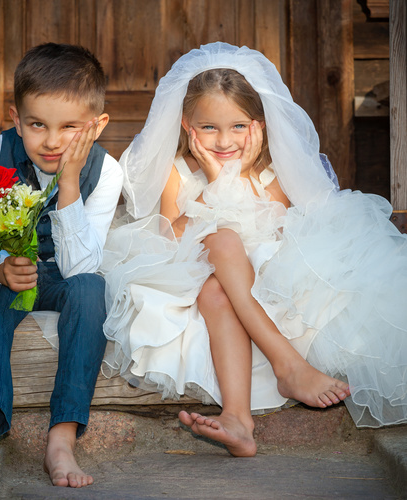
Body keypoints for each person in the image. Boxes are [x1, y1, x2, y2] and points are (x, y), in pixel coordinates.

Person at [100, 42, 407, 457]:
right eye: (208, 127)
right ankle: (275, 379)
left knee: (219, 281)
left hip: (264, 277)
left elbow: (279, 231)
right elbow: (168, 237)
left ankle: (242, 414)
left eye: (238, 127)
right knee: (219, 252)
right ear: (187, 126)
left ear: (259, 125)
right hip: (188, 273)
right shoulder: (178, 172)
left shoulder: (271, 172)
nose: (224, 140)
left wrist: (231, 184)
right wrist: (212, 185)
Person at [0, 43, 123, 488]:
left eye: (69, 127)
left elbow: (82, 264)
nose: (51, 140)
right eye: (37, 124)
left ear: (97, 125)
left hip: (66, 278)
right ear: (15, 118)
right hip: (11, 275)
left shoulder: (106, 172)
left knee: (91, 289)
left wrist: (68, 182)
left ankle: (61, 439)